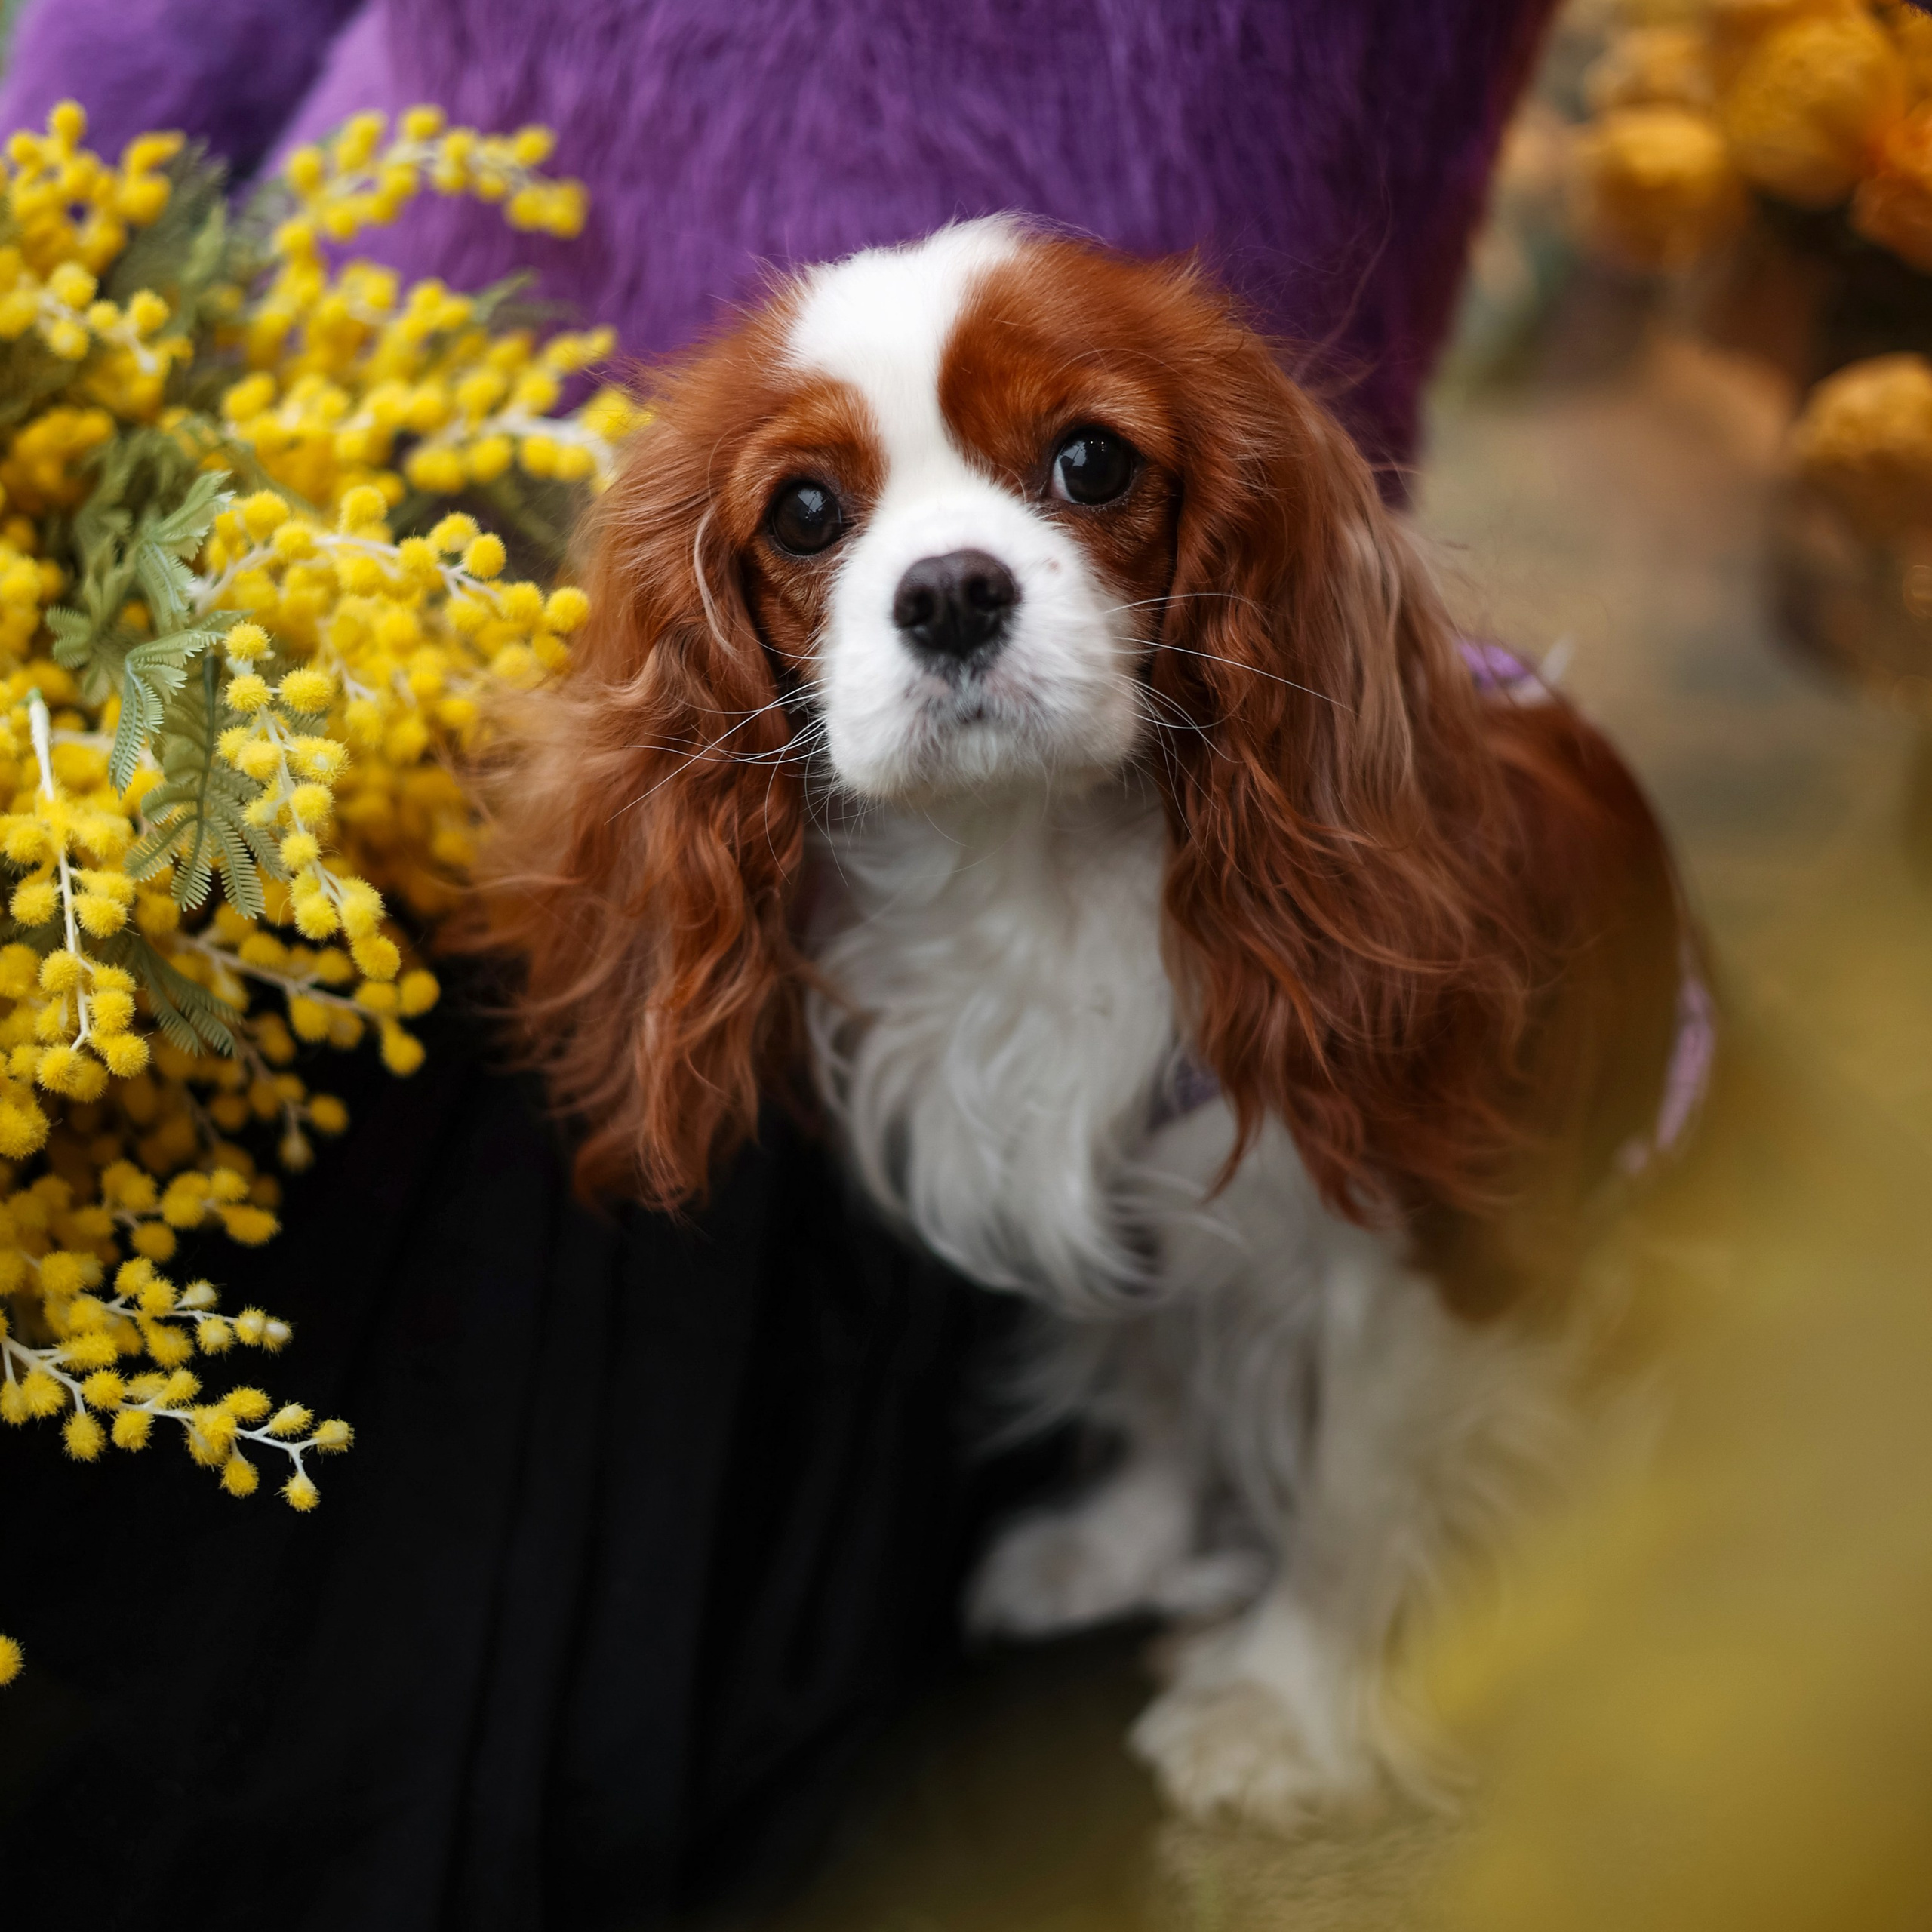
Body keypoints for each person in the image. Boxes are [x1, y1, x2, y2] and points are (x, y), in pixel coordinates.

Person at [0, 5, 1558, 1926]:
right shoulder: (813, 869)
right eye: (814, 518)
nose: (951, 568)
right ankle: (1161, 1487)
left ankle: (1338, 1641)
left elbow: (1434, 1273)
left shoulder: (1316, 826)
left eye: (1083, 467)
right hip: (375, 565)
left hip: (1417, 1243)